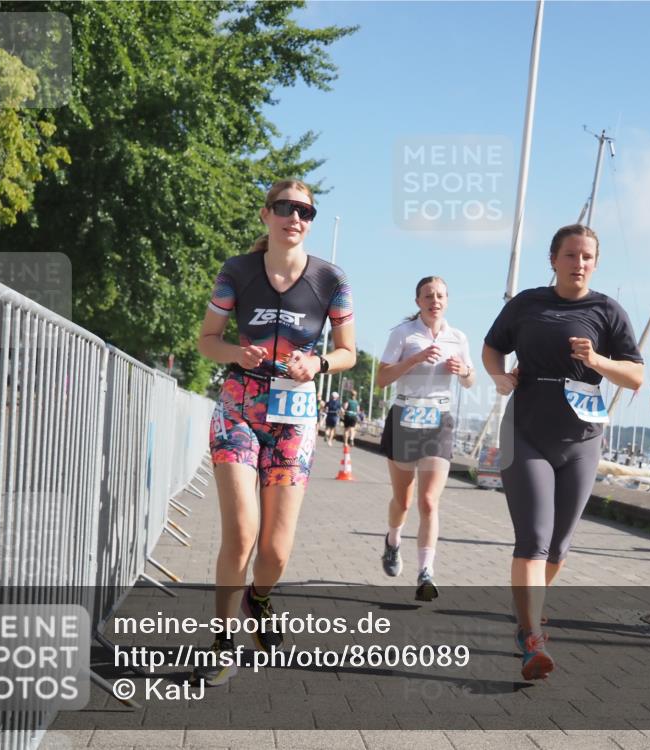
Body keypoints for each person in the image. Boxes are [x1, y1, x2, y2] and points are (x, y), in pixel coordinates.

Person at [190, 179, 355, 686]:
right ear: (266, 215)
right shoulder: (237, 272)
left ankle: (258, 600)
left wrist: (319, 362)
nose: (296, 217)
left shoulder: (331, 279)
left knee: (275, 551)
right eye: (285, 208)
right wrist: (238, 353)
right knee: (241, 534)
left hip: (295, 416)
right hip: (239, 409)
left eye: (306, 210)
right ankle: (222, 639)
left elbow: (349, 352)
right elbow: (206, 342)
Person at [483, 225, 644, 680]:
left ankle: (527, 610)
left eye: (588, 256)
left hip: (582, 439)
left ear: (596, 262)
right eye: (571, 255)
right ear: (553, 259)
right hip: (527, 430)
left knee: (558, 548)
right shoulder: (528, 304)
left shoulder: (607, 310)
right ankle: (531, 637)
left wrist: (597, 361)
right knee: (533, 539)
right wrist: (498, 377)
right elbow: (493, 348)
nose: (579, 263)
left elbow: (635, 376)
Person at [377, 276, 475, 601]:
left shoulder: (458, 337)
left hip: (438, 420)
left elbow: (471, 380)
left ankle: (426, 573)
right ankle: (392, 541)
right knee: (403, 501)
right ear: (418, 301)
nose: (435, 300)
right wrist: (414, 359)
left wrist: (463, 371)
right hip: (405, 417)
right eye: (428, 296)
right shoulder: (403, 334)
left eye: (441, 295)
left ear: (447, 300)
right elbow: (381, 379)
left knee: (429, 501)